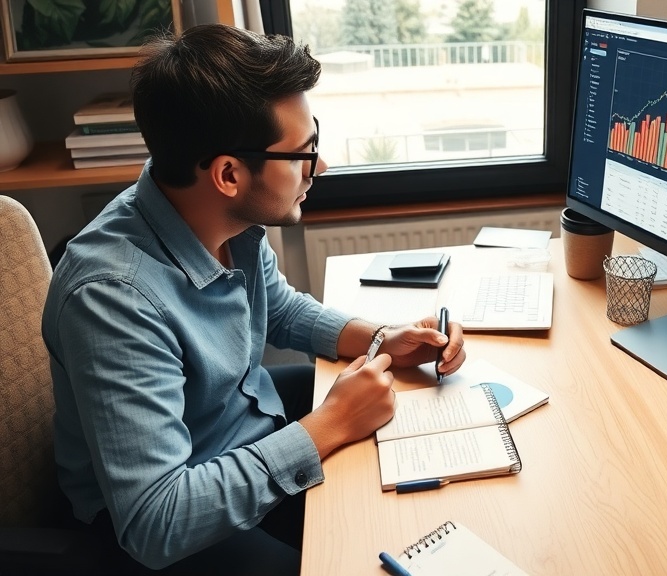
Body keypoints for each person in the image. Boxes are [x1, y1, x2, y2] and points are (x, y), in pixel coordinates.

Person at [41, 24, 466, 575]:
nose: (322, 166)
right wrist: (327, 426)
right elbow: (155, 520)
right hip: (171, 521)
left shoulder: (219, 216)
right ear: (228, 174)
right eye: (303, 153)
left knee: (403, 470)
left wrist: (383, 337)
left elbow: (280, 309)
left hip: (232, 426)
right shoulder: (112, 298)